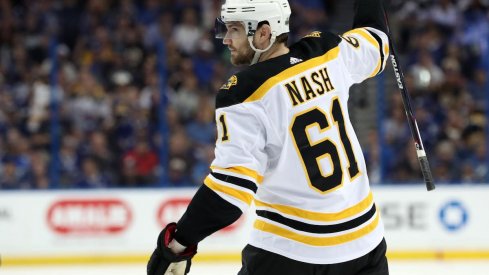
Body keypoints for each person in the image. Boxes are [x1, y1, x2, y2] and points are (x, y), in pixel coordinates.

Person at [147, 0, 390, 274]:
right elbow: (376, 41)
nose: (226, 39)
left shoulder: (243, 94)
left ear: (264, 33)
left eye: (235, 30)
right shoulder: (326, 51)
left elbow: (230, 191)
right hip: (365, 245)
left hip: (291, 253)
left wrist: (178, 244)